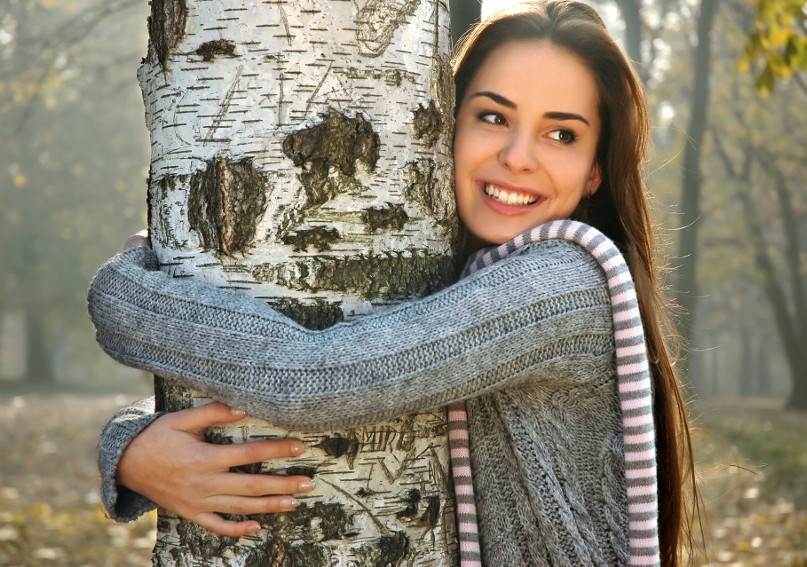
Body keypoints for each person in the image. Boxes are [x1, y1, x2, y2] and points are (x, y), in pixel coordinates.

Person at [89, 1, 697, 565]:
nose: (518, 156)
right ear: (441, 126)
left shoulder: (561, 284)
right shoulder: (471, 282)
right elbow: (385, 374)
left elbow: (314, 381)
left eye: (561, 133)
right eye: (492, 116)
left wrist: (120, 295)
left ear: (595, 171)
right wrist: (133, 446)